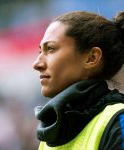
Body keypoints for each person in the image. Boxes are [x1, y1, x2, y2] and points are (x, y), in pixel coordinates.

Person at [32, 11, 124, 150]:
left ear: (92, 58)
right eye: (40, 52)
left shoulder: (118, 122)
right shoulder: (48, 141)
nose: (37, 64)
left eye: (50, 48)